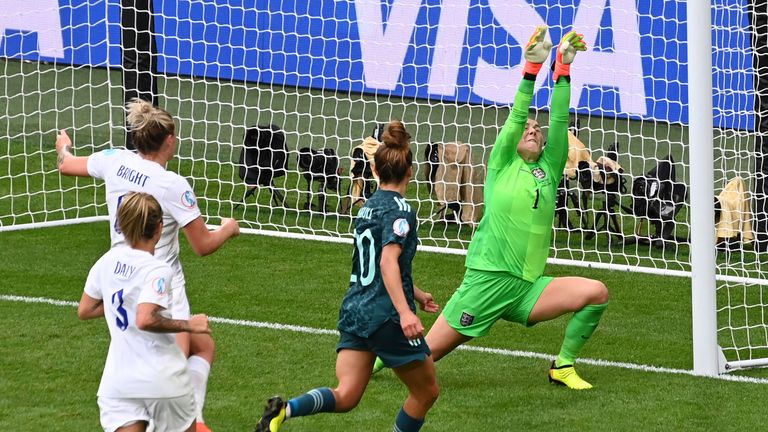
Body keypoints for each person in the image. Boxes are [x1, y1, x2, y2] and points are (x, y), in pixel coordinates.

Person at [375, 26, 609, 390]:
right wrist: (532, 71)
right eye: (526, 128)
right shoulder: (501, 164)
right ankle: (372, 358)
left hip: (527, 288)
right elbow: (517, 114)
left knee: (595, 293)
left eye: (536, 129)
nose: (532, 130)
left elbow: (560, 120)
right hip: (487, 281)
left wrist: (562, 69)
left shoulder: (548, 168)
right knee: (420, 358)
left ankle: (562, 366)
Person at [57, 99, 240, 430]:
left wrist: (64, 146)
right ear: (169, 140)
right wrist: (228, 229)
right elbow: (203, 245)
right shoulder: (171, 185)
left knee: (195, 350)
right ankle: (192, 421)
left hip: (117, 278)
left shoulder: (113, 160)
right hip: (164, 290)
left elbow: (67, 165)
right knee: (173, 380)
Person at [254, 120, 440, 432]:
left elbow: (377, 261)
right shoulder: (401, 210)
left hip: (356, 311)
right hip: (387, 317)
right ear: (410, 171)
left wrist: (416, 293)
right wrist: (406, 311)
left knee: (347, 395)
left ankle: (284, 411)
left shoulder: (366, 208)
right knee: (426, 392)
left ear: (376, 172)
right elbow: (386, 263)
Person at [78, 191, 211, 432]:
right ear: (159, 229)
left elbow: (85, 309)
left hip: (118, 384)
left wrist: (127, 303)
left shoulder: (105, 262)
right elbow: (146, 318)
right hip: (161, 380)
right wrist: (189, 324)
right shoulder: (158, 269)